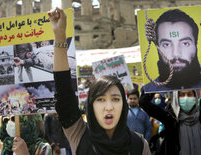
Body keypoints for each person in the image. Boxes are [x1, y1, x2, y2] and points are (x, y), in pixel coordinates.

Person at [49, 7, 151, 155]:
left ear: (124, 104)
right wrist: (59, 36)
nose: (108, 107)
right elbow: (64, 92)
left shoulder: (139, 145)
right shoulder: (79, 134)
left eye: (115, 99)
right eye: (101, 99)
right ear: (90, 104)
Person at [144, 9, 201, 92]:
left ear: (196, 45)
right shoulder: (148, 92)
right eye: (166, 44)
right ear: (158, 48)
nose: (176, 54)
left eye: (185, 43)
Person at [140, 89, 201, 155]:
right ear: (176, 98)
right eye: (182, 95)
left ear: (195, 97)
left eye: (189, 94)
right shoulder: (171, 120)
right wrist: (155, 84)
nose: (186, 98)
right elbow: (143, 102)